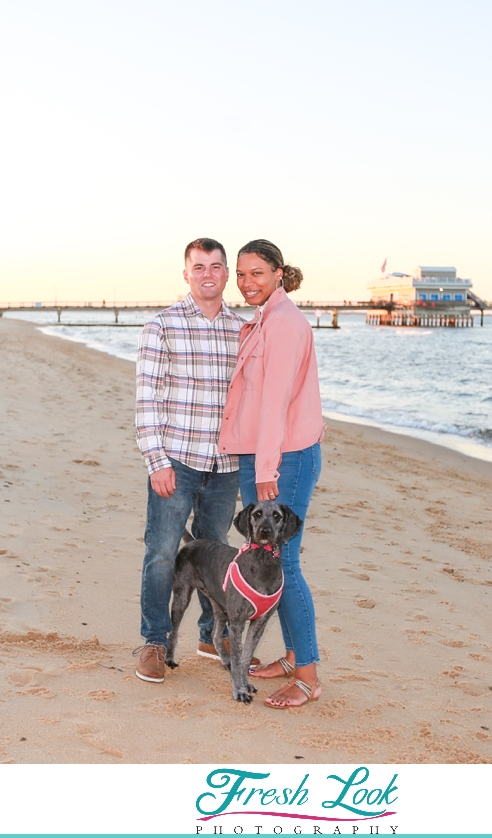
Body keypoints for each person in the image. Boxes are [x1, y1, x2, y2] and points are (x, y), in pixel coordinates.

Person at [219, 239, 326, 708]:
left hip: (285, 458)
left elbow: (275, 402)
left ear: (279, 273)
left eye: (257, 273)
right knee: (266, 563)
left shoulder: (283, 324)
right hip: (261, 455)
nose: (246, 283)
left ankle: (306, 677)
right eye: (241, 275)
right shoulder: (265, 319)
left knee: (287, 565)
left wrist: (266, 470)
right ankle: (288, 655)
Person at [133, 238, 246, 683]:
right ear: (187, 273)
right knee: (162, 553)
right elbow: (147, 401)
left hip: (226, 467)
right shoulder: (162, 326)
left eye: (216, 266)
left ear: (225, 274)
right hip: (176, 462)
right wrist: (155, 459)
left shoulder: (242, 328)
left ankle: (209, 636)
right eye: (199, 267)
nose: (208, 274)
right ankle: (155, 643)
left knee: (215, 556)